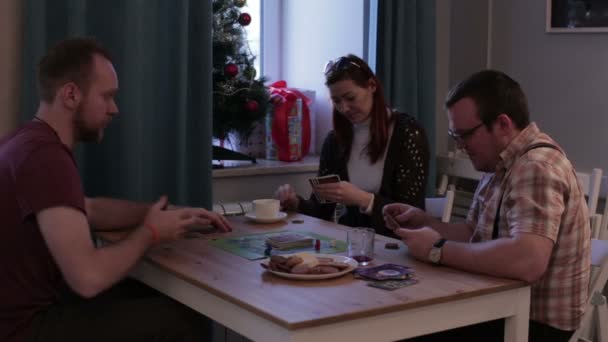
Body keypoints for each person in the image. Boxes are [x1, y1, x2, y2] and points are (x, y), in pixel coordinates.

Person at [0, 37, 232, 342]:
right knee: (183, 318)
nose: (115, 109)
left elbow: (87, 209)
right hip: (27, 328)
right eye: (107, 96)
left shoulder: (25, 142)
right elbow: (88, 278)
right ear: (70, 94)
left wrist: (164, 213)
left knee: (147, 292)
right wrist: (151, 231)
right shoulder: (45, 158)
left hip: (25, 313)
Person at [383, 70, 590, 341]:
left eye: (465, 135)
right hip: (498, 306)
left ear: (503, 124)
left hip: (531, 324)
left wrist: (437, 250)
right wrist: (427, 223)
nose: (459, 146)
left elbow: (528, 261)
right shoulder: (499, 161)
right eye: (454, 135)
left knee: (400, 329)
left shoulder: (536, 166)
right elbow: (474, 233)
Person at [275, 54, 429, 237]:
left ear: (372, 86)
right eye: (337, 101)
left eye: (350, 97)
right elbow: (321, 210)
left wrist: (364, 200)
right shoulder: (334, 141)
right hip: (351, 244)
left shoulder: (407, 132)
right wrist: (296, 203)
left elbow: (412, 215)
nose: (344, 108)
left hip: (395, 245)